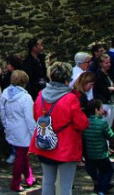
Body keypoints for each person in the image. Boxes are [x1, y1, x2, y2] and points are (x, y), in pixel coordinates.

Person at [29, 62, 89, 195]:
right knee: (65, 186)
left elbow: (36, 115)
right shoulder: (71, 98)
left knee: (48, 182)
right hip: (66, 147)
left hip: (45, 143)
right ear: (68, 78)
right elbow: (82, 124)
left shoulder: (41, 95)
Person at [0, 70, 36, 192]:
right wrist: (34, 134)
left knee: (22, 155)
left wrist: (6, 126)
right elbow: (30, 119)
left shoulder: (5, 93)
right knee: (20, 157)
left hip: (11, 129)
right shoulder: (26, 98)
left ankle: (29, 177)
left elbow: (2, 112)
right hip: (23, 131)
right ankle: (15, 183)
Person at [83, 99, 114, 195]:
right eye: (101, 109)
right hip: (101, 153)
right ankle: (102, 189)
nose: (103, 111)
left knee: (99, 170)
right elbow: (111, 136)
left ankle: (99, 185)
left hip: (89, 154)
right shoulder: (102, 123)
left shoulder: (85, 122)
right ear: (97, 110)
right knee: (109, 170)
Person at [92, 54, 114, 132]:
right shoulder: (98, 75)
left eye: (109, 62)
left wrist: (113, 88)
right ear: (101, 64)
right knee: (104, 126)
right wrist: (112, 88)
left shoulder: (109, 74)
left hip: (111, 102)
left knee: (109, 126)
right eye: (106, 63)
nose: (108, 65)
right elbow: (102, 89)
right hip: (104, 103)